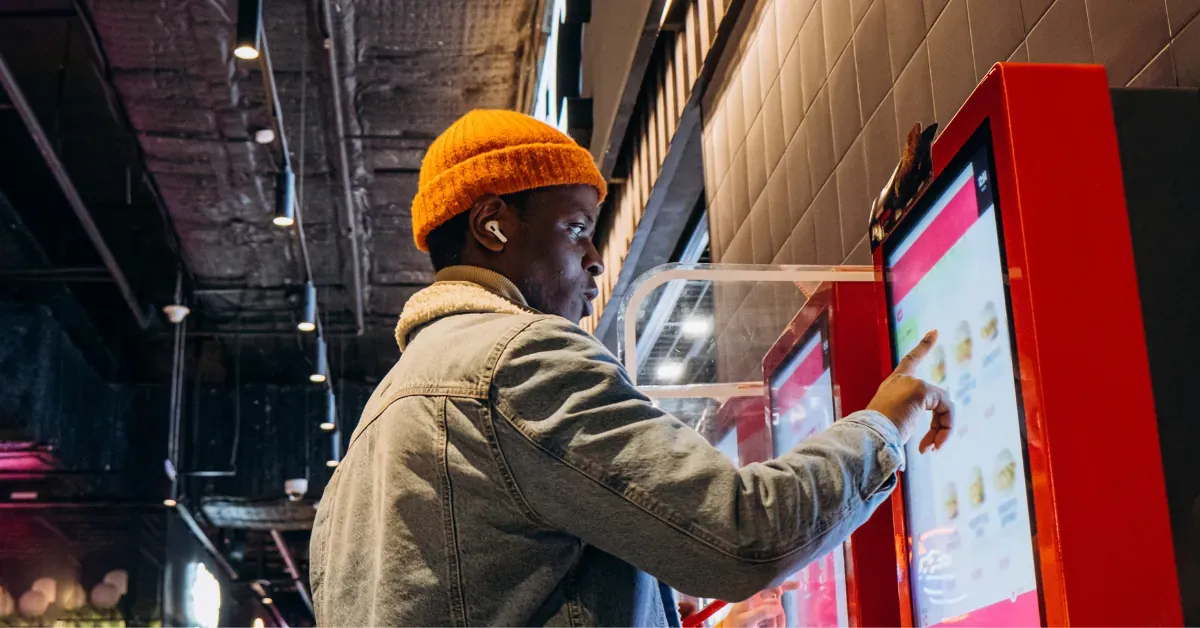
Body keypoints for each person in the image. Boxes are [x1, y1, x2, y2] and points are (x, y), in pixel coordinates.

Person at [309, 110, 953, 626]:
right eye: (576, 228)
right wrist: (885, 423)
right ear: (492, 226)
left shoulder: (372, 435)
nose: (594, 260)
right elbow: (742, 533)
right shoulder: (519, 361)